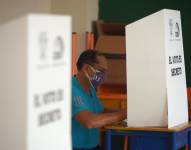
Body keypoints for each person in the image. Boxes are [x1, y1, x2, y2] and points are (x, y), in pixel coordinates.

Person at [72, 49, 127, 150]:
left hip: (94, 146)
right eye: (101, 71)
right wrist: (121, 115)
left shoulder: (90, 88)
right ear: (87, 68)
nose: (104, 76)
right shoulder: (72, 89)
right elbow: (90, 121)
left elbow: (99, 110)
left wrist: (127, 112)